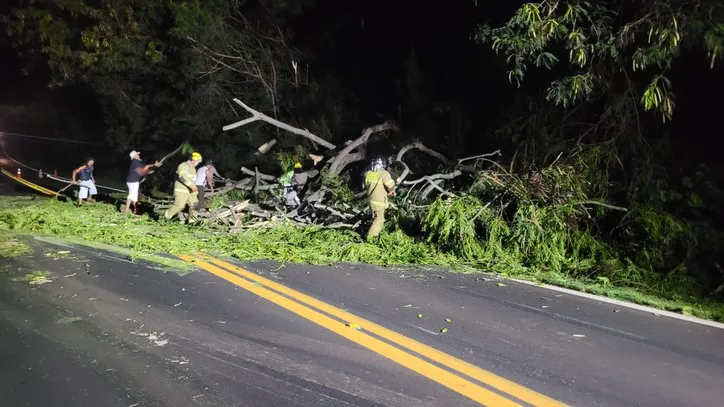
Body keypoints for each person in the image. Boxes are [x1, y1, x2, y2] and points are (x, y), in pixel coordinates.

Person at [364, 155, 396, 239]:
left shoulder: (368, 173)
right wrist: (393, 188)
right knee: (379, 220)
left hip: (371, 201)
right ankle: (370, 239)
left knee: (374, 218)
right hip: (379, 202)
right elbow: (390, 187)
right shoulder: (384, 174)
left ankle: (371, 233)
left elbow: (364, 186)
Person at [164, 152, 203, 222]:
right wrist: (192, 186)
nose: (198, 163)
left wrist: (195, 191)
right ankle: (166, 216)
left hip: (190, 191)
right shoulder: (184, 165)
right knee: (179, 206)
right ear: (193, 160)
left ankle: (192, 221)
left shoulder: (193, 168)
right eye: (197, 161)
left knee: (195, 204)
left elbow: (193, 180)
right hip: (181, 190)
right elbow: (182, 177)